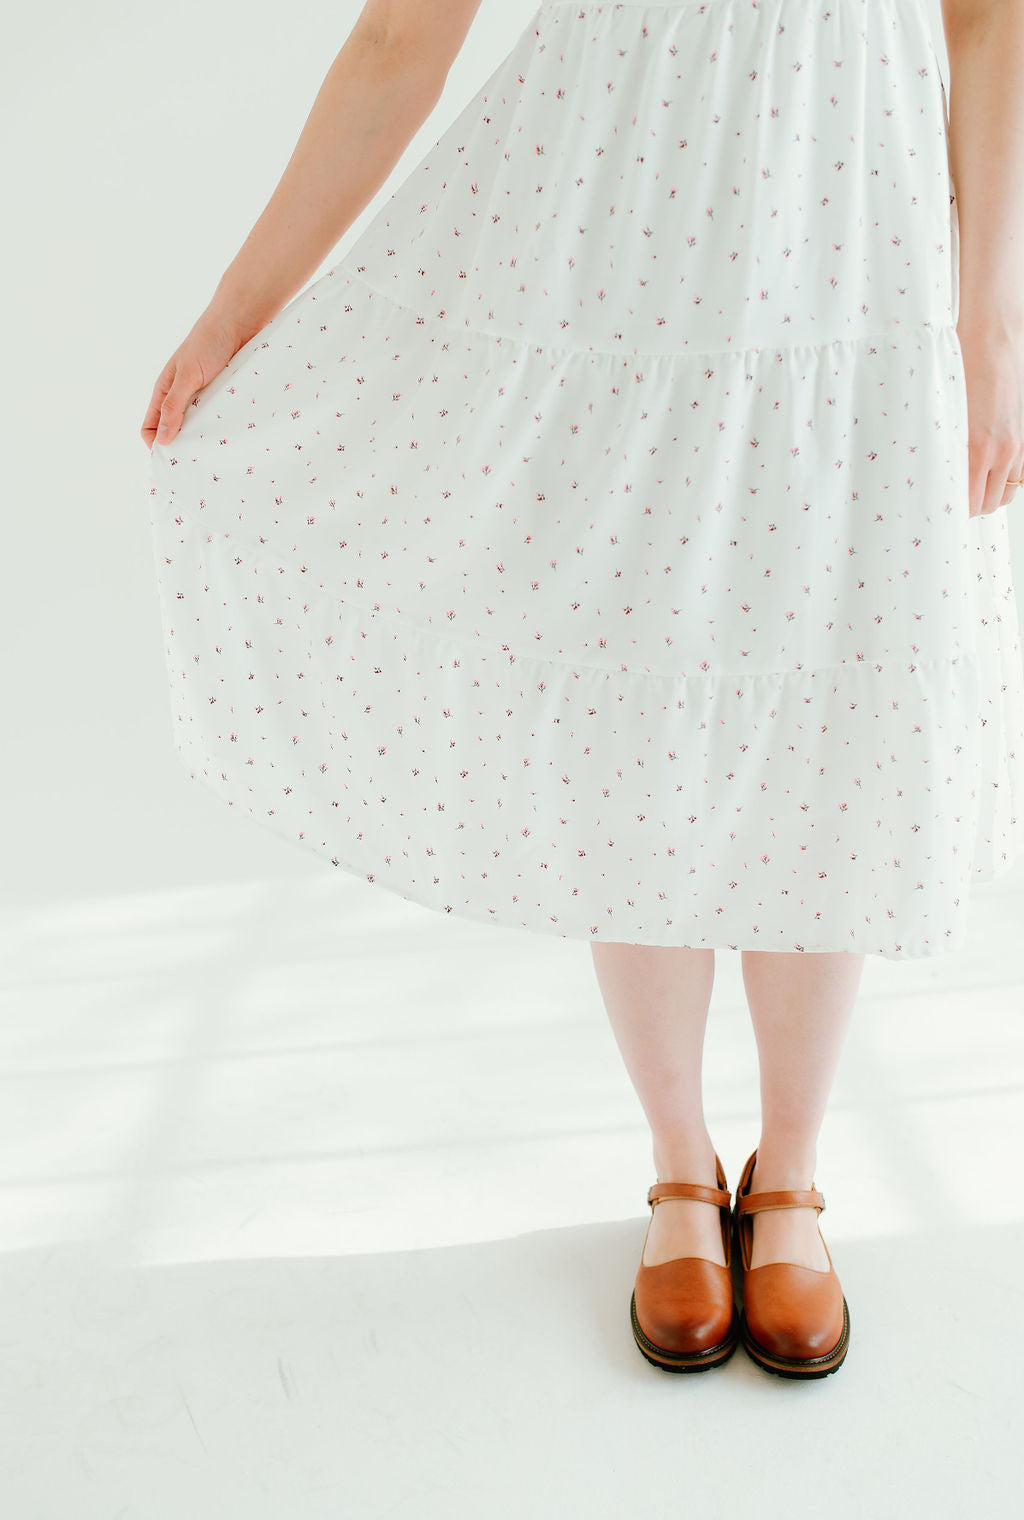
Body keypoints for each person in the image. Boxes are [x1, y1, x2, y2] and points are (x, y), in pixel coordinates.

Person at [141, 0, 1024, 1379]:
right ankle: (680, 1161)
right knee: (639, 724)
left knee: (828, 708)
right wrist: (232, 315)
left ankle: (789, 1170)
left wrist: (990, 315)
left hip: (861, 256)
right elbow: (401, 39)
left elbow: (987, 22)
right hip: (620, 264)